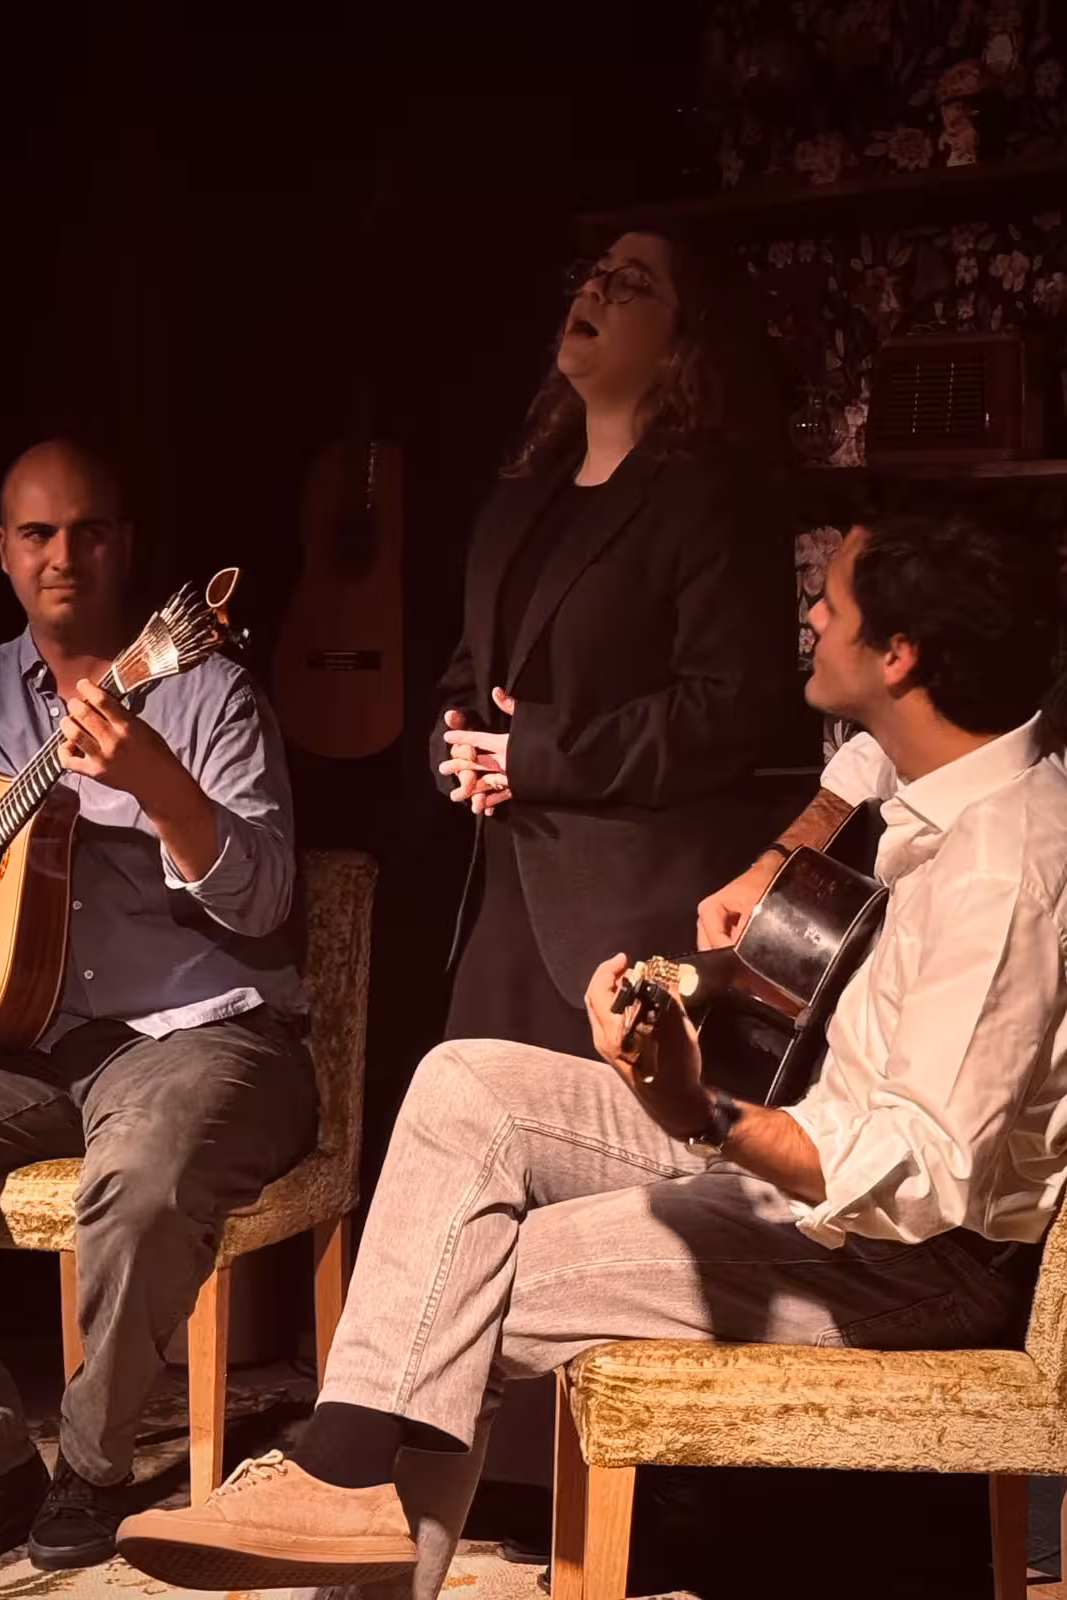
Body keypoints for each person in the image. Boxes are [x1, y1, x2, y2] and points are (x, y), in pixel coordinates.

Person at [115, 503, 1067, 1595]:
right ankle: (346, 1482)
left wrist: (698, 1110)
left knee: (463, 1280)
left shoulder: (1004, 874)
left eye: (832, 603)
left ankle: (344, 1497)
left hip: (908, 1255)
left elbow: (922, 1175)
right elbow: (861, 769)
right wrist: (775, 866)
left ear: (898, 656)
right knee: (465, 1081)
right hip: (822, 1161)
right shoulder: (957, 755)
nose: (808, 613)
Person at [0, 440, 316, 1581]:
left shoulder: (206, 690)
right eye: (37, 534)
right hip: (19, 1042)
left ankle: (96, 1464)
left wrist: (162, 789)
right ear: (2, 552)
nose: (63, 556)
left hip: (204, 1032)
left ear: (127, 545)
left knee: (144, 1177)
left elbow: (267, 897)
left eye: (89, 531)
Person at [434, 230, 796, 1059]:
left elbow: (730, 708)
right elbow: (470, 671)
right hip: (507, 900)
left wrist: (540, 755)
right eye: (592, 274)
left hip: (628, 918)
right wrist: (456, 751)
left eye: (630, 282)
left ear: (686, 340)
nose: (593, 290)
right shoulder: (522, 494)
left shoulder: (715, 498)